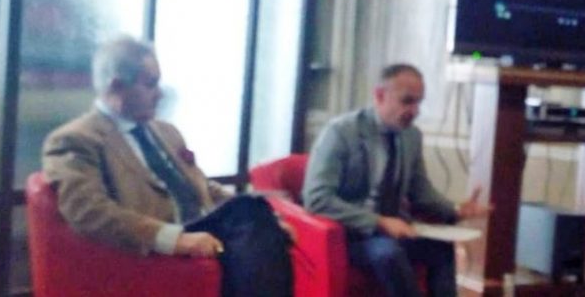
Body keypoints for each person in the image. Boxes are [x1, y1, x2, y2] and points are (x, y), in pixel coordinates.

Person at [42, 36, 292, 297]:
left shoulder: (166, 132)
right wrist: (176, 240)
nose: (160, 94)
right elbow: (88, 210)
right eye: (150, 85)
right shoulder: (76, 139)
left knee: (254, 210)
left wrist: (265, 223)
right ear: (117, 87)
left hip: (201, 224)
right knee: (252, 224)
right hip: (156, 235)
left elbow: (203, 187)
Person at [302, 63, 492, 297]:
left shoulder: (411, 136)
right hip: (349, 234)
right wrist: (379, 222)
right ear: (380, 96)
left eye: (418, 102)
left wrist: (455, 210)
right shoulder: (341, 132)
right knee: (388, 253)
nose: (415, 111)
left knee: (441, 248)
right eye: (407, 101)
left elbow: (421, 193)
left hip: (393, 232)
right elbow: (317, 198)